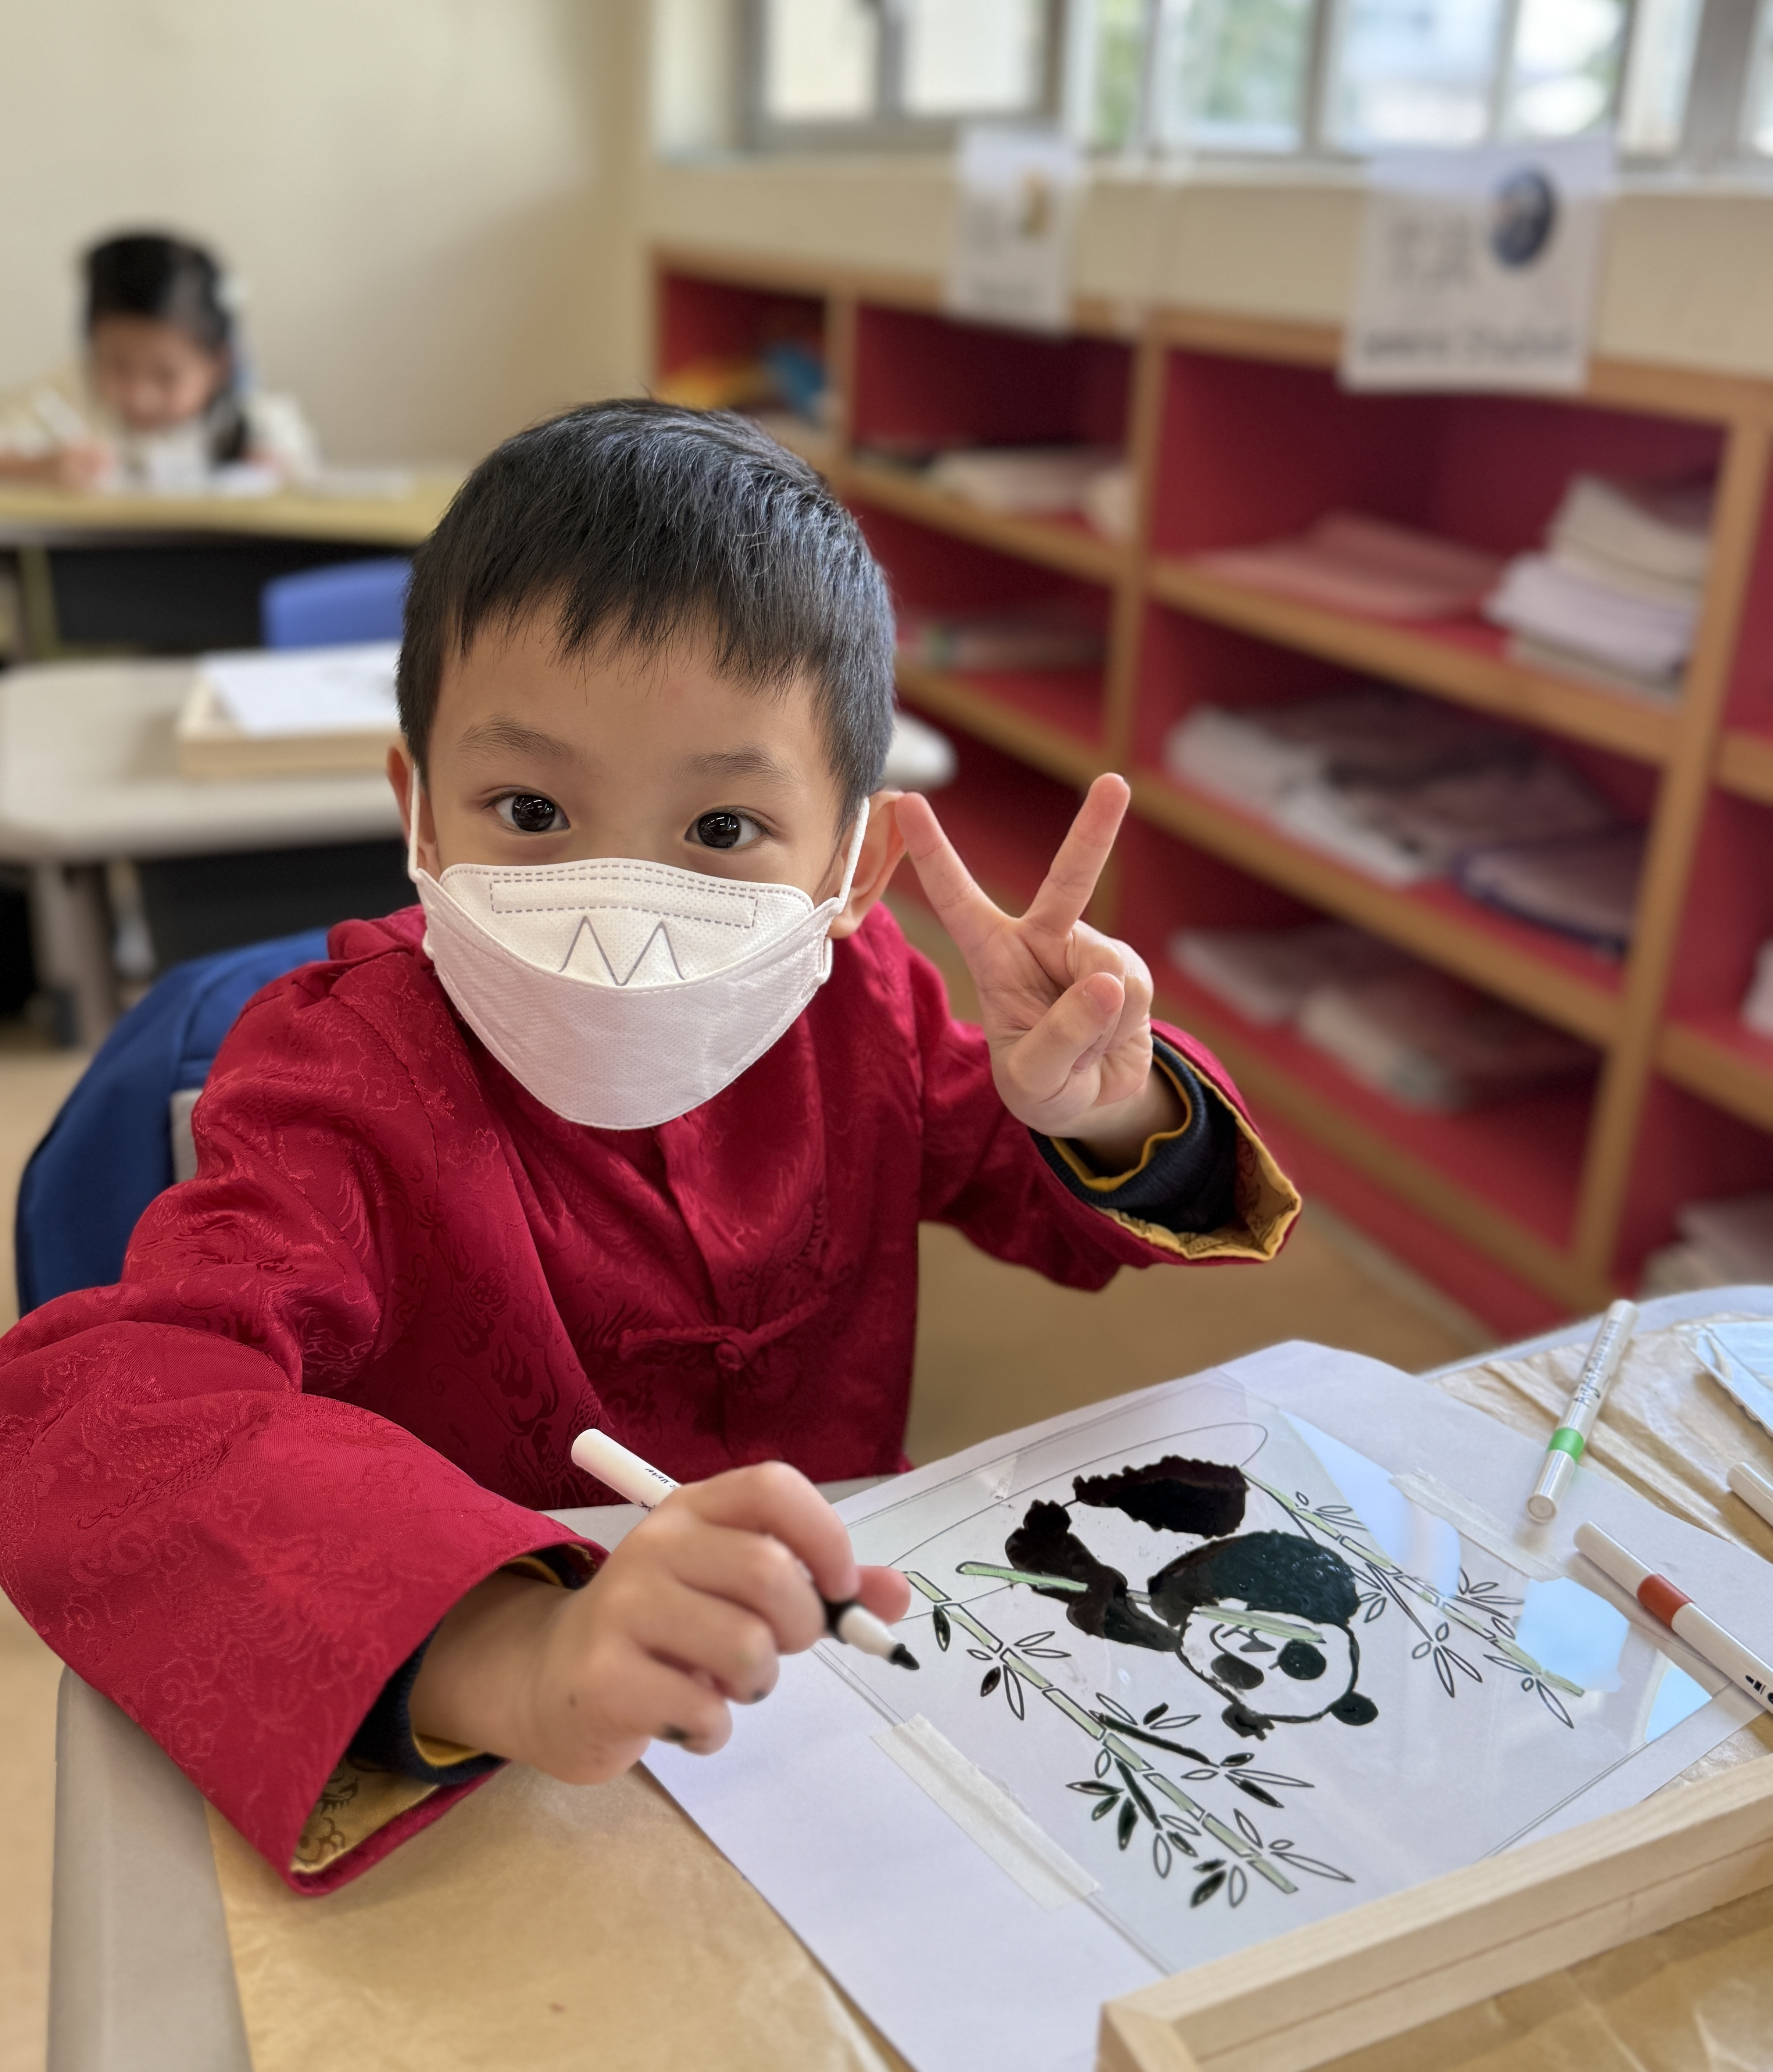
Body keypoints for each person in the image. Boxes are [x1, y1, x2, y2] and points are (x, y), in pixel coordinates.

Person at [0, 403, 1297, 1892]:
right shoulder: (336, 1074)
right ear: (419, 811)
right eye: (533, 809)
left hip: (832, 1677)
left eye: (723, 828)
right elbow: (99, 1421)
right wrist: (513, 1644)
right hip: (498, 1753)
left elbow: (1049, 1188)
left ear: (854, 864)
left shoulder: (862, 1001)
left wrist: (1097, 1104)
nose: (617, 907)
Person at [0, 230, 317, 491]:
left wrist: (275, 472)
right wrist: (38, 468)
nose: (141, 396)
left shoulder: (256, 422)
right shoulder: (69, 392)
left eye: (167, 375)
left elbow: (307, 477)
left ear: (221, 364)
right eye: (118, 366)